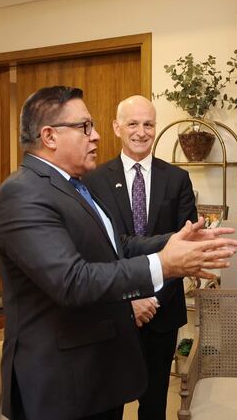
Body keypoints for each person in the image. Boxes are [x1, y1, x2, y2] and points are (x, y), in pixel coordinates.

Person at [0, 86, 237, 420]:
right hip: (62, 380)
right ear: (49, 136)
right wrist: (162, 264)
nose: (94, 137)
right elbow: (72, 280)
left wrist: (173, 243)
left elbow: (115, 246)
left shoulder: (70, 187)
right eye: (84, 127)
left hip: (92, 369)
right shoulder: (23, 194)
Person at [84, 95, 195, 420]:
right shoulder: (92, 182)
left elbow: (185, 248)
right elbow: (96, 250)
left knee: (155, 403)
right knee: (108, 404)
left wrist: (151, 298)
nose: (141, 131)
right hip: (113, 312)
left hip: (161, 314)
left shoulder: (177, 179)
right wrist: (128, 300)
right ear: (117, 127)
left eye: (148, 124)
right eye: (133, 123)